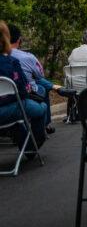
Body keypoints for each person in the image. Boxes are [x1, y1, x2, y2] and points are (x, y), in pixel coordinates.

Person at [0, 21, 47, 152]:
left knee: (18, 119)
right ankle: (32, 149)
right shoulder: (11, 62)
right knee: (40, 108)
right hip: (8, 109)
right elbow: (23, 91)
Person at [8, 24, 60, 133]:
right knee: (41, 87)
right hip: (22, 96)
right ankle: (44, 126)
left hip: (5, 97)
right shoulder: (27, 57)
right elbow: (40, 75)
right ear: (19, 40)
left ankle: (56, 87)